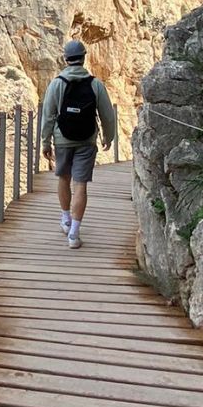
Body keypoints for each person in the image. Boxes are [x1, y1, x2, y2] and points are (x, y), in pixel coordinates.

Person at [40, 39, 117, 249]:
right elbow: (107, 115)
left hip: (63, 139)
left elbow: (48, 115)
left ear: (66, 59)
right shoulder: (95, 84)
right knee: (80, 184)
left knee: (63, 178)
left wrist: (45, 142)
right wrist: (108, 137)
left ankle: (65, 218)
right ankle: (74, 233)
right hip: (87, 139)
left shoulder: (57, 84)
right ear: (84, 58)